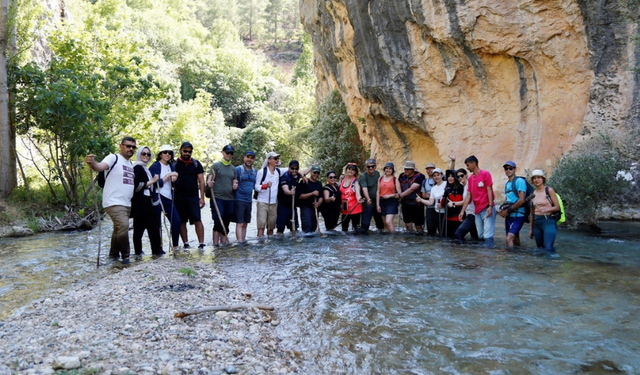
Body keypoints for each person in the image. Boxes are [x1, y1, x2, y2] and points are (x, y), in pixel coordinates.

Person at [85, 137, 136, 264]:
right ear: (121, 146)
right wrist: (93, 163)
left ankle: (113, 255)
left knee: (118, 229)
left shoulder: (131, 164)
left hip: (126, 203)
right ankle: (126, 257)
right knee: (124, 226)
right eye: (128, 146)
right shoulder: (114, 158)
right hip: (113, 202)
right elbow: (100, 166)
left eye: (133, 147)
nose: (131, 149)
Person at [131, 146, 163, 256]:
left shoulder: (145, 168)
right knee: (145, 227)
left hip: (147, 201)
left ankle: (144, 252)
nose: (146, 156)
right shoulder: (137, 168)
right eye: (143, 153)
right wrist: (153, 181)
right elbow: (137, 186)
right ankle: (152, 251)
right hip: (140, 202)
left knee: (145, 227)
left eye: (148, 154)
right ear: (139, 154)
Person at [174, 141, 206, 249]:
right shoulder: (174, 164)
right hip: (179, 196)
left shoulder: (196, 164)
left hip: (193, 196)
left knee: (197, 219)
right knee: (182, 221)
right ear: (180, 151)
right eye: (185, 151)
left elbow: (201, 181)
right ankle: (186, 243)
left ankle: (201, 243)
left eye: (189, 152)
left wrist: (202, 198)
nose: (187, 153)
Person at [149, 144, 180, 252]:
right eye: (165, 152)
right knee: (157, 224)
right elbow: (157, 183)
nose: (167, 154)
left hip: (169, 197)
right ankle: (158, 249)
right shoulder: (155, 166)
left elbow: (176, 183)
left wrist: (175, 178)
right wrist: (168, 176)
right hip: (158, 197)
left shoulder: (171, 166)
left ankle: (175, 246)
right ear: (160, 154)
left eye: (169, 153)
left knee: (176, 222)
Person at [459, 155, 496, 245]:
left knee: (488, 236)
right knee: (481, 236)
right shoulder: (471, 178)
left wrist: (490, 206)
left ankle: (488, 256)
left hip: (486, 208)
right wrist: (462, 211)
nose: (467, 168)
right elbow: (468, 195)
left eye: (468, 165)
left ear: (474, 163)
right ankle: (482, 257)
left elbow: (489, 190)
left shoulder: (485, 174)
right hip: (477, 211)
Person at [207, 145, 238, 246]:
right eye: (227, 153)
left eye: (231, 153)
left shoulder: (233, 169)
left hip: (230, 198)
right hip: (217, 198)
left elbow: (234, 181)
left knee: (226, 220)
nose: (229, 155)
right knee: (218, 220)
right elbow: (209, 178)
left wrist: (235, 185)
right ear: (223, 153)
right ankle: (215, 245)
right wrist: (209, 182)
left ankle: (223, 243)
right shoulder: (216, 166)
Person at [528, 169, 560, 253]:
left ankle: (552, 264)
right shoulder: (533, 193)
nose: (536, 180)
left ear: (543, 179)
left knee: (548, 248)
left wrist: (547, 209)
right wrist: (531, 229)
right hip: (537, 223)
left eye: (539, 177)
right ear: (532, 180)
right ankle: (541, 266)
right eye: (534, 178)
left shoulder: (549, 190)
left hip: (548, 222)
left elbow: (557, 207)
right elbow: (531, 213)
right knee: (540, 249)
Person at [498, 161, 527, 248]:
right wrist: (502, 210)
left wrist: (508, 210)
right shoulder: (507, 184)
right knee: (515, 239)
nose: (508, 170)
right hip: (509, 216)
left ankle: (510, 259)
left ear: (515, 169)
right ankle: (519, 255)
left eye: (510, 168)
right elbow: (507, 199)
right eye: (506, 169)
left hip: (518, 215)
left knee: (509, 239)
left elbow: (521, 200)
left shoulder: (519, 181)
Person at [255, 152, 283, 239]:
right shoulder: (262, 172)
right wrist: (265, 186)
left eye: (277, 159)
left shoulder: (278, 171)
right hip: (262, 202)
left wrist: (307, 172)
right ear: (269, 160)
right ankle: (261, 245)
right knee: (261, 226)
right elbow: (256, 187)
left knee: (271, 227)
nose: (277, 160)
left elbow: (292, 170)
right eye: (275, 159)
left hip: (273, 203)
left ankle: (270, 247)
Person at [234, 150, 257, 244]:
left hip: (249, 200)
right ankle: (239, 242)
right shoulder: (238, 169)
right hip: (239, 199)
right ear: (244, 158)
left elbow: (256, 185)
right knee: (239, 222)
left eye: (252, 158)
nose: (249, 159)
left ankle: (243, 240)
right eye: (248, 157)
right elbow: (233, 181)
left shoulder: (255, 171)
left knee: (245, 223)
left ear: (254, 160)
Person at [277, 160, 303, 236]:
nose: (294, 170)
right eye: (292, 168)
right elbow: (285, 189)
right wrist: (290, 192)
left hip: (293, 208)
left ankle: (293, 246)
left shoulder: (296, 176)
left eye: (296, 169)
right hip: (283, 207)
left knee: (294, 229)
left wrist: (304, 174)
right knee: (280, 230)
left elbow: (305, 171)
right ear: (289, 168)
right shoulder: (284, 177)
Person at [398, 161, 425, 233]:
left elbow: (412, 189)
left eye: (408, 169)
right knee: (407, 224)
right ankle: (410, 240)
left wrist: (399, 195)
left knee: (418, 225)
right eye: (405, 169)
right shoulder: (402, 176)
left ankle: (420, 239)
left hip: (417, 204)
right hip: (405, 203)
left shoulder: (420, 176)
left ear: (413, 170)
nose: (406, 170)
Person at [359, 158, 385, 234]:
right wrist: (368, 198)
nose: (370, 168)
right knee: (366, 223)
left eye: (372, 166)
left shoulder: (377, 173)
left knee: (380, 222)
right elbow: (364, 188)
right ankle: (364, 240)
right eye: (368, 166)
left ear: (375, 166)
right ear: (366, 167)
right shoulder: (363, 176)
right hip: (368, 202)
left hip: (377, 201)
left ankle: (381, 241)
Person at [454, 168, 479, 241]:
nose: (460, 178)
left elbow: (468, 200)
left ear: (466, 175)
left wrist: (454, 204)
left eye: (461, 176)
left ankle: (461, 251)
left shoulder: (469, 185)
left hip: (472, 214)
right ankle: (473, 252)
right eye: (458, 177)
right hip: (469, 213)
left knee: (458, 234)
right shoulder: (465, 186)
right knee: (474, 238)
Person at [298, 164, 324, 234]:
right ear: (310, 172)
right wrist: (312, 193)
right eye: (314, 172)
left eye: (318, 173)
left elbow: (321, 196)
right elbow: (299, 196)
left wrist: (318, 203)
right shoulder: (304, 182)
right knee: (307, 230)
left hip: (315, 209)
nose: (316, 174)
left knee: (313, 229)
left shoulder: (319, 184)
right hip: (305, 208)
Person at [418, 168, 444, 235]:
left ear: (442, 175)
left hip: (445, 212)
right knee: (432, 230)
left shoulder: (446, 184)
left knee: (443, 231)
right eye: (434, 176)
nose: (436, 177)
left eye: (438, 175)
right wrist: (421, 199)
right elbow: (430, 202)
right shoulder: (433, 188)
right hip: (437, 210)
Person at [377, 162, 401, 233]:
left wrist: (390, 195)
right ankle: (388, 241)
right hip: (382, 201)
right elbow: (378, 192)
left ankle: (393, 238)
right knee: (385, 223)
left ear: (392, 170)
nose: (388, 170)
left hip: (391, 202)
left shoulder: (395, 179)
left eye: (390, 169)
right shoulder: (380, 178)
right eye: (386, 168)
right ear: (384, 170)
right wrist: (377, 205)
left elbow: (399, 193)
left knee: (388, 222)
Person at [440, 169, 464, 238]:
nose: (450, 178)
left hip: (456, 218)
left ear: (455, 178)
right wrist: (444, 197)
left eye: (452, 176)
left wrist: (449, 193)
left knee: (455, 239)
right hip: (447, 218)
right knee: (445, 239)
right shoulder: (448, 188)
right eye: (448, 176)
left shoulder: (460, 187)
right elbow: (442, 204)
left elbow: (457, 200)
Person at [339, 163, 363, 232]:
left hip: (354, 208)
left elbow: (358, 193)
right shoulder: (343, 179)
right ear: (346, 170)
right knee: (344, 229)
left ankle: (356, 243)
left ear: (355, 172)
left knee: (356, 230)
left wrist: (359, 198)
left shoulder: (355, 182)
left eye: (353, 170)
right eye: (349, 169)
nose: (351, 171)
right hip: (345, 208)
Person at [422, 163, 438, 236]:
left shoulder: (441, 178)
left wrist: (453, 161)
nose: (430, 170)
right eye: (428, 169)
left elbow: (450, 173)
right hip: (429, 207)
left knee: (441, 228)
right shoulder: (425, 182)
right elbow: (423, 195)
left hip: (440, 207)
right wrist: (431, 195)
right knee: (430, 228)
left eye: (431, 168)